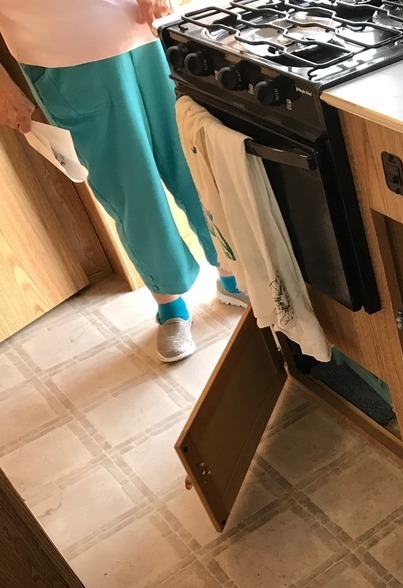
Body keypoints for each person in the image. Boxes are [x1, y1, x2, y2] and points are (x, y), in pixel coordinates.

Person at [0, 0, 247, 363]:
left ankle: (233, 271)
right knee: (131, 188)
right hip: (60, 57)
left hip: (146, 28)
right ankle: (170, 305)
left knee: (195, 161)